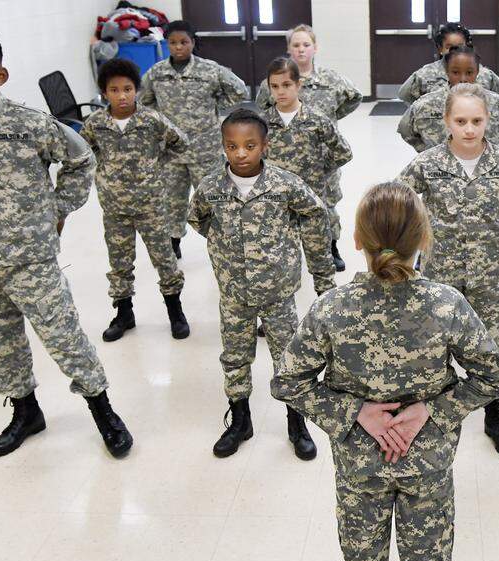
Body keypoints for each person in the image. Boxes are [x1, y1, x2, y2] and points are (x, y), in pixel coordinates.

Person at [271, 181, 499, 561]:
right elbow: (494, 377)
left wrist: (355, 412)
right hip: (428, 465)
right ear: (425, 237)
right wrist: (432, 412)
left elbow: (287, 381)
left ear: (356, 241)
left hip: (361, 469)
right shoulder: (447, 305)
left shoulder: (331, 308)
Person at [0, 28, 132, 458]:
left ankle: (103, 411)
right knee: (0, 345)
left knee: (65, 339)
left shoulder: (30, 124)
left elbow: (80, 160)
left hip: (31, 260)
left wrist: (57, 210)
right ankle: (25, 412)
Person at [397, 83, 499, 457]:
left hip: (487, 273)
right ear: (446, 121)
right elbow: (399, 199)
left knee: (490, 342)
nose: (468, 129)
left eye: (476, 120)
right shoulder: (428, 164)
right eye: (460, 120)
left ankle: (493, 415)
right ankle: (428, 411)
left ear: (487, 121)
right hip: (440, 272)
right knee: (434, 340)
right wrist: (420, 231)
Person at [187, 109, 336, 460]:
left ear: (265, 146)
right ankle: (240, 420)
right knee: (235, 357)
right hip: (234, 294)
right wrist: (226, 248)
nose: (240, 153)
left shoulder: (285, 184)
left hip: (278, 293)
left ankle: (295, 422)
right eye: (232, 146)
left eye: (250, 145)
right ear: (223, 147)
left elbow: (315, 217)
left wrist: (322, 275)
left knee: (288, 357)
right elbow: (198, 219)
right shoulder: (211, 187)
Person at [80, 58, 190, 343]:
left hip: (150, 205)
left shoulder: (151, 120)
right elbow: (81, 153)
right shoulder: (95, 124)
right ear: (105, 93)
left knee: (164, 259)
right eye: (114, 90)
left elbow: (180, 143)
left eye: (127, 88)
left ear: (137, 90)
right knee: (119, 262)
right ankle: (124, 313)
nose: (122, 95)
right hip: (114, 207)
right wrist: (101, 174)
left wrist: (157, 167)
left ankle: (175, 312)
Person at [255, 24, 362, 271]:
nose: (301, 49)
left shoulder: (330, 79)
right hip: (283, 158)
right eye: (296, 45)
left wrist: (334, 116)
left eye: (306, 44)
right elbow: (263, 109)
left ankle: (330, 247)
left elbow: (354, 97)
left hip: (322, 158)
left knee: (327, 205)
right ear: (289, 49)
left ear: (315, 47)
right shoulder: (273, 82)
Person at [140, 20, 248, 257]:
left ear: (192, 43)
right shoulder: (157, 73)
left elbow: (240, 90)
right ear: (167, 44)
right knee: (172, 200)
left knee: (216, 196)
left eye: (184, 42)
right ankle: (173, 241)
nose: (178, 47)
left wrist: (218, 106)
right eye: (173, 43)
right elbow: (143, 102)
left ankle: (224, 240)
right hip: (172, 152)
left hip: (204, 150)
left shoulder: (209, 69)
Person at [397, 45, 499, 152]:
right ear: (446, 72)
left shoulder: (498, 103)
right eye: (455, 72)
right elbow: (405, 129)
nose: (463, 78)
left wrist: (496, 151)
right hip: (441, 172)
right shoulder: (426, 103)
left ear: (477, 72)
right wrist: (426, 152)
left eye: (469, 72)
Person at [398, 22, 499, 104]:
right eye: (449, 47)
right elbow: (405, 95)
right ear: (440, 48)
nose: (455, 50)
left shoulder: (484, 74)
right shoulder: (425, 74)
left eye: (460, 46)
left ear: (467, 46)